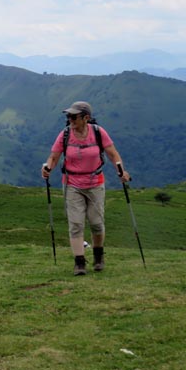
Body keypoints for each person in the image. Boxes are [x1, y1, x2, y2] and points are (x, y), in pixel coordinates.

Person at [41, 101, 131, 276]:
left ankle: (98, 256)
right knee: (75, 224)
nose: (70, 119)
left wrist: (122, 172)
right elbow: (54, 157)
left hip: (95, 183)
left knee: (97, 223)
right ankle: (79, 263)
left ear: (86, 118)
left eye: (73, 116)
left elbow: (113, 154)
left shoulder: (98, 132)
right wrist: (47, 169)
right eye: (68, 116)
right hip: (72, 183)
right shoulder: (65, 134)